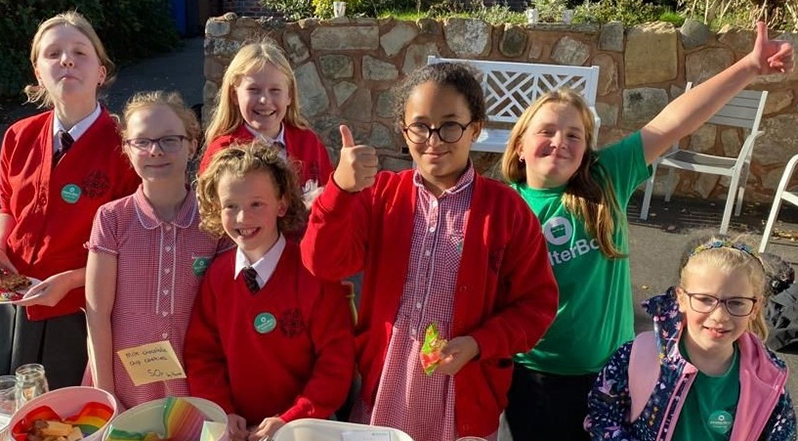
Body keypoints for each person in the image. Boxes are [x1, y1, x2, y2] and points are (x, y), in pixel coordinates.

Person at [500, 22, 793, 440]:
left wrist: (748, 66)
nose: (559, 142)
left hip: (615, 373)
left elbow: (674, 121)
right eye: (546, 131)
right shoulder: (501, 205)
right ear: (519, 145)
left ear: (586, 150)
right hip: (533, 376)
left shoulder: (605, 179)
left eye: (574, 135)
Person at [300, 62, 559, 441]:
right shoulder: (380, 196)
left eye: (450, 125)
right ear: (404, 130)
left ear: (475, 128)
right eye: (420, 126)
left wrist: (479, 343)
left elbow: (537, 306)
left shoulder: (507, 212)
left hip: (464, 401)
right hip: (384, 393)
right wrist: (340, 190)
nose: (434, 140)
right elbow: (322, 262)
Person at [0, 11, 140, 389]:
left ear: (101, 70)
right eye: (53, 53)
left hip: (82, 308)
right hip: (14, 304)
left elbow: (135, 246)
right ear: (37, 73)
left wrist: (76, 280)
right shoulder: (18, 135)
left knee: (71, 416)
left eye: (80, 52)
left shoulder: (126, 146)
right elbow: (7, 206)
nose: (66, 60)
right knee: (13, 407)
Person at [186, 143, 354, 441]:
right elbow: (202, 355)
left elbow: (336, 362)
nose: (242, 218)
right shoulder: (217, 277)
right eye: (231, 206)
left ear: (282, 204)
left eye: (256, 204)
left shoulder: (314, 276)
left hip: (304, 430)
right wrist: (222, 411)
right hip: (235, 429)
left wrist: (292, 419)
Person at [84, 91, 222, 410]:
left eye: (169, 140)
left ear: (192, 144)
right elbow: (97, 313)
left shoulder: (215, 219)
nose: (155, 151)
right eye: (142, 141)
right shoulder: (112, 218)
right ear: (127, 149)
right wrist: (106, 395)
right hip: (122, 383)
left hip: (195, 383)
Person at [584, 236, 797, 440]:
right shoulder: (638, 355)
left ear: (755, 307)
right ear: (681, 299)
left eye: (737, 302)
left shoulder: (768, 375)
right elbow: (603, 416)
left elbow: (782, 433)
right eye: (704, 299)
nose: (720, 316)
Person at [198, 38, 333, 200]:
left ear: (289, 95)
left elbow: (331, 204)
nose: (264, 100)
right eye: (253, 90)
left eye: (275, 90)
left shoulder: (309, 143)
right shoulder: (222, 151)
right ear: (234, 95)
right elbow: (211, 217)